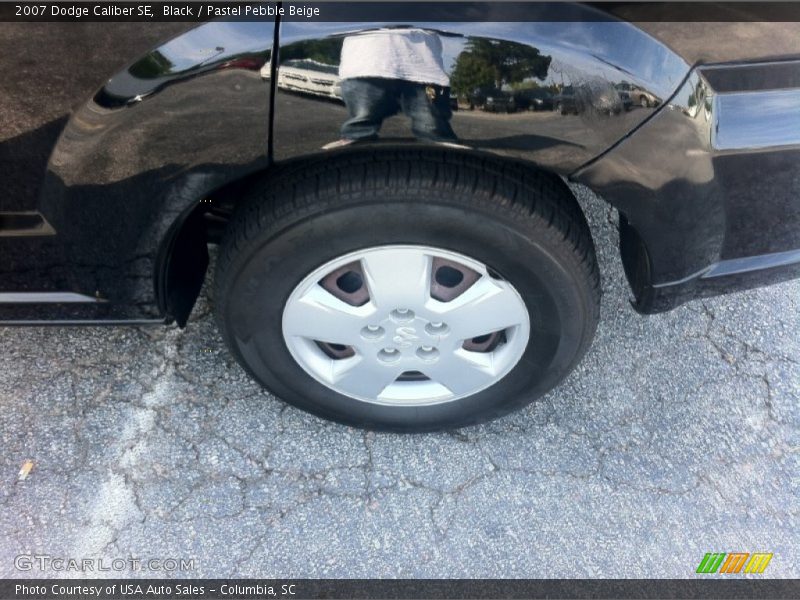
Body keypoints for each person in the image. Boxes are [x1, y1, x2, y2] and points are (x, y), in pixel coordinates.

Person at [323, 27, 459, 149]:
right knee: (362, 118)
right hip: (366, 61)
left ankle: (439, 140)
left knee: (430, 120)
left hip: (421, 65)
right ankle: (354, 138)